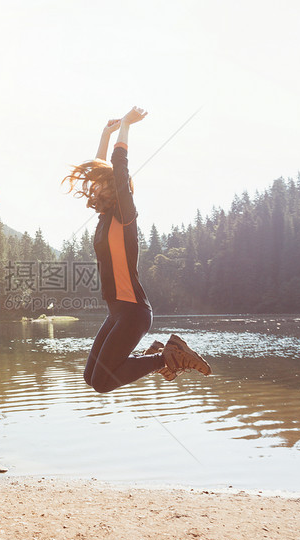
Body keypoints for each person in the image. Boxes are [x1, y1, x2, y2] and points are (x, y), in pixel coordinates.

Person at [64, 106, 211, 393]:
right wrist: (104, 133)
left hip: (133, 312)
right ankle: (161, 353)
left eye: (100, 186)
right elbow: (100, 170)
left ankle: (166, 357)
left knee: (103, 383)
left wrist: (125, 127)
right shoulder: (106, 218)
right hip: (116, 312)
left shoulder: (125, 214)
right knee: (91, 377)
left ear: (114, 188)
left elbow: (118, 168)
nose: (93, 189)